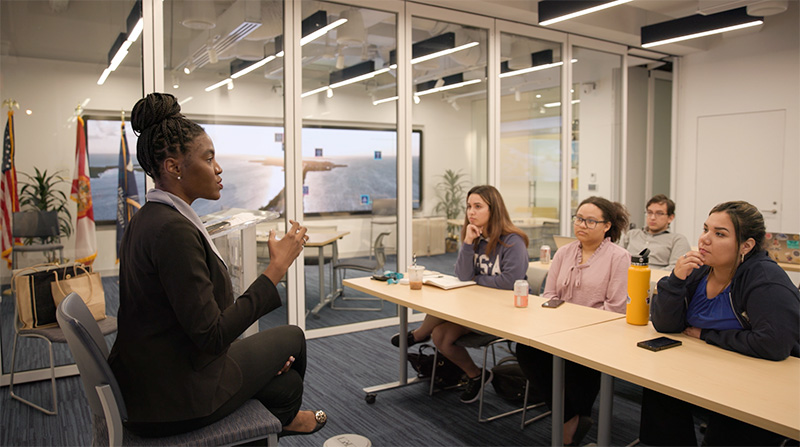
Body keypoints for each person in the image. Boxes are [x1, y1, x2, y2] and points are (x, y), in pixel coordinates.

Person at [108, 93, 326, 438]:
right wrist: (276, 269)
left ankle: (282, 416)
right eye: (209, 158)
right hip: (174, 397)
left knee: (284, 386)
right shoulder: (173, 232)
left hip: (154, 378)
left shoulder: (149, 217)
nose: (218, 168)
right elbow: (212, 336)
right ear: (174, 168)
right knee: (293, 339)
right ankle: (282, 420)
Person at [639, 201, 800, 446]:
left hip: (758, 379)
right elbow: (665, 325)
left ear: (746, 245)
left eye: (719, 234)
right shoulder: (699, 270)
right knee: (658, 389)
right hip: (709, 364)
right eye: (705, 229)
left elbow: (773, 345)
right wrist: (675, 281)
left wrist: (706, 335)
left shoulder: (765, 281)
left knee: (732, 420)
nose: (704, 239)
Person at [391, 185, 529, 403]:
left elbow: (510, 282)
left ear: (494, 210)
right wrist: (467, 243)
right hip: (476, 308)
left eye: (477, 207)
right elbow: (463, 275)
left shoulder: (513, 242)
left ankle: (417, 335)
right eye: (468, 207)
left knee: (446, 308)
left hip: (503, 314)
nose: (471, 212)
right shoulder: (475, 239)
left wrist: (477, 280)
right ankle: (476, 375)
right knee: (440, 337)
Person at [516, 196, 631, 446]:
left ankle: (572, 420)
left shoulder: (619, 257)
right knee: (526, 349)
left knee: (578, 363)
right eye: (579, 219)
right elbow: (549, 294)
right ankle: (570, 418)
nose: (582, 225)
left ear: (607, 226)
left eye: (591, 221)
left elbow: (615, 306)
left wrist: (579, 326)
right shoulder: (565, 252)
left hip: (597, 333)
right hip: (559, 328)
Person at [620, 194, 691, 269]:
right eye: (649, 212)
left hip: (657, 279)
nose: (652, 217)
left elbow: (676, 268)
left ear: (670, 217)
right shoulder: (632, 234)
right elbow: (618, 258)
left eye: (659, 213)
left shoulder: (677, 240)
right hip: (627, 276)